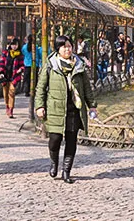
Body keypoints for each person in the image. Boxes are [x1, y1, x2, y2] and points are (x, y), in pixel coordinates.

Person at [35, 35, 98, 184]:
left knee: (71, 140)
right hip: (55, 108)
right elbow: (41, 88)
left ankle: (66, 171)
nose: (68, 49)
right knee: (55, 139)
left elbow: (87, 88)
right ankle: (54, 163)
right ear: (58, 49)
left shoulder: (79, 65)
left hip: (74, 109)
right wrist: (40, 106)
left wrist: (92, 105)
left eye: (69, 46)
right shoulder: (51, 65)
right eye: (64, 47)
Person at [0, 38, 25, 118]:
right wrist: (1, 72)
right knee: (5, 93)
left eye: (15, 44)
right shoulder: (6, 53)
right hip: (5, 75)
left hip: (14, 76)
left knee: (12, 92)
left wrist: (20, 69)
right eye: (12, 44)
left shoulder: (20, 55)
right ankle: (7, 106)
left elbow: (23, 65)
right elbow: (1, 63)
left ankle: (11, 109)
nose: (14, 46)